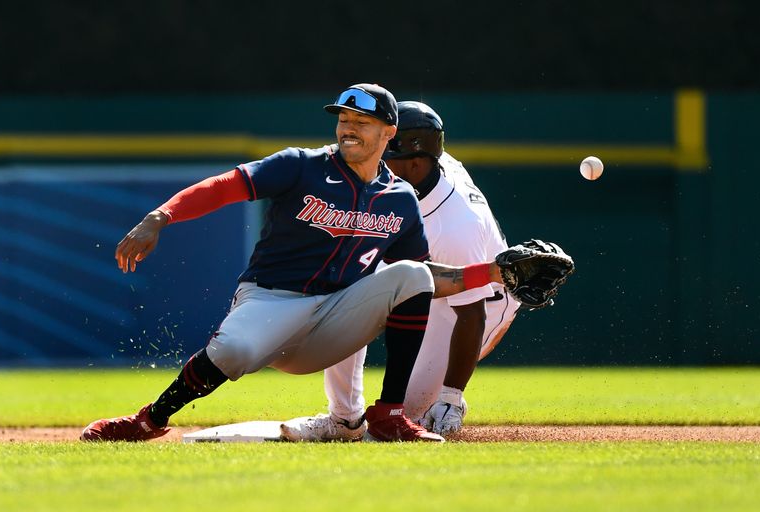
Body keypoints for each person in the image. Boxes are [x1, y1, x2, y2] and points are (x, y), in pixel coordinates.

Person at [80, 84, 507, 443]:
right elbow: (224, 187)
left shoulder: (399, 198)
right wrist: (160, 217)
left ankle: (386, 414)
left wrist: (494, 272)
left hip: (335, 319)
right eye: (344, 120)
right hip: (272, 304)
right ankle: (149, 419)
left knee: (411, 274)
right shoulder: (301, 166)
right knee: (232, 350)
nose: (349, 128)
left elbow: (424, 279)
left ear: (388, 132)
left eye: (362, 122)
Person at [279, 101, 520, 441]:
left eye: (385, 153)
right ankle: (343, 418)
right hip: (424, 273)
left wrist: (451, 393)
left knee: (402, 420)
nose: (374, 159)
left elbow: (472, 313)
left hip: (478, 301)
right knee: (344, 291)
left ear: (417, 164)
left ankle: (445, 402)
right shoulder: (410, 174)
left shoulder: (454, 225)